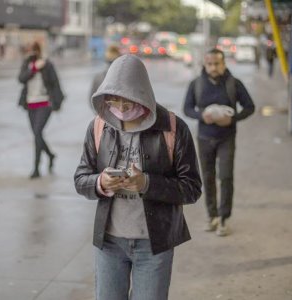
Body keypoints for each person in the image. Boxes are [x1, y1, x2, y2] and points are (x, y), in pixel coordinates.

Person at [74, 54, 201, 300]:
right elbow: (81, 178)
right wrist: (100, 182)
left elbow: (192, 188)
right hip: (109, 243)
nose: (120, 110)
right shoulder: (99, 126)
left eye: (127, 103)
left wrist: (147, 183)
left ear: (142, 95)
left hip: (153, 245)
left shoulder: (173, 128)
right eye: (114, 102)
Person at [183, 48, 255, 236]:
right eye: (210, 64)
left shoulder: (234, 84)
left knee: (225, 176)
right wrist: (201, 116)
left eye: (217, 63)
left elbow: (250, 107)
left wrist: (232, 119)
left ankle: (224, 218)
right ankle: (212, 215)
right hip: (204, 138)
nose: (214, 67)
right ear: (205, 65)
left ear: (224, 64)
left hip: (227, 138)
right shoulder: (196, 84)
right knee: (207, 177)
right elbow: (187, 108)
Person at [18, 41, 64, 179]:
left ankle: (36, 168)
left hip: (45, 104)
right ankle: (51, 155)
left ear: (38, 51)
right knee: (37, 135)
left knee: (37, 132)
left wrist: (57, 103)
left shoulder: (47, 65)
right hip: (30, 105)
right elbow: (21, 79)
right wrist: (33, 69)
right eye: (29, 51)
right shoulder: (27, 64)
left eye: (34, 50)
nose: (31, 53)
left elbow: (55, 84)